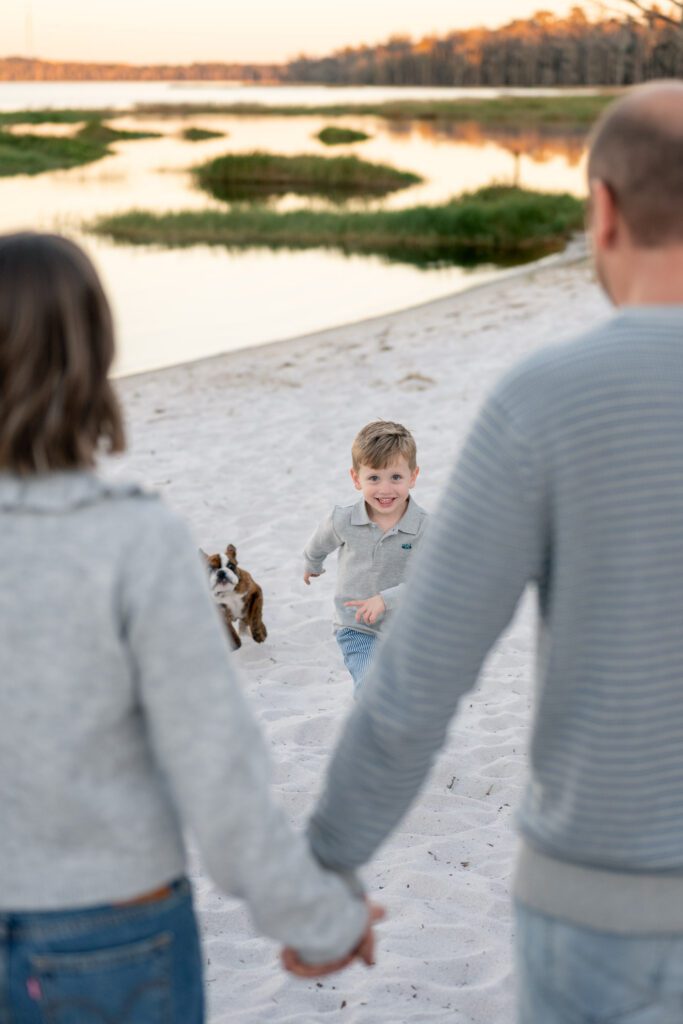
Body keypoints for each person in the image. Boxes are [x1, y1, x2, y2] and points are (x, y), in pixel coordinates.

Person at [294, 81, 683, 1020]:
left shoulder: (544, 400)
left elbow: (419, 673)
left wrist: (325, 866)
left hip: (600, 910)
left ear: (602, 212)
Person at [0, 232, 380, 1024]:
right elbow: (216, 765)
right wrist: (313, 916)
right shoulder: (135, 538)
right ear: (96, 360)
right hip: (110, 923)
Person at [303, 420, 427, 696]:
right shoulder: (343, 519)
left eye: (396, 477)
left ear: (413, 476)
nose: (385, 489)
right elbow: (319, 543)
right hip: (357, 626)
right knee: (371, 686)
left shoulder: (424, 527)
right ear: (356, 478)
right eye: (374, 478)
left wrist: (385, 600)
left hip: (407, 627)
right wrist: (312, 563)